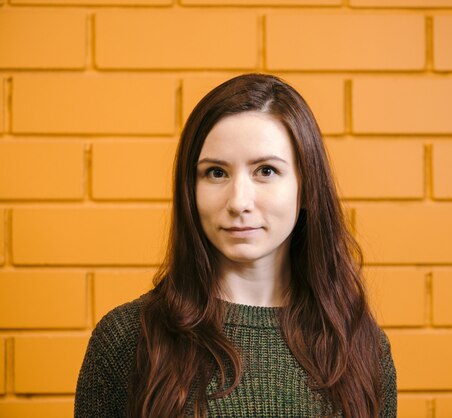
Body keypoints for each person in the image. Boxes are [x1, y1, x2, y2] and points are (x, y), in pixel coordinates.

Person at [75, 73, 397, 418]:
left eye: (266, 171)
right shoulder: (128, 339)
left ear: (306, 188)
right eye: (216, 173)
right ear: (190, 191)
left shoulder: (362, 346)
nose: (239, 201)